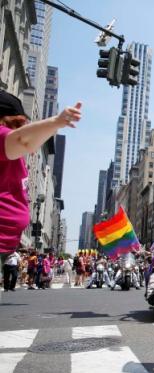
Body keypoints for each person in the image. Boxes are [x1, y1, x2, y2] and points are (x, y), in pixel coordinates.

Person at [0, 91, 81, 261]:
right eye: (17, 123)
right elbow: (25, 141)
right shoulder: (2, 136)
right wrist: (56, 122)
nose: (22, 127)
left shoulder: (10, 150)